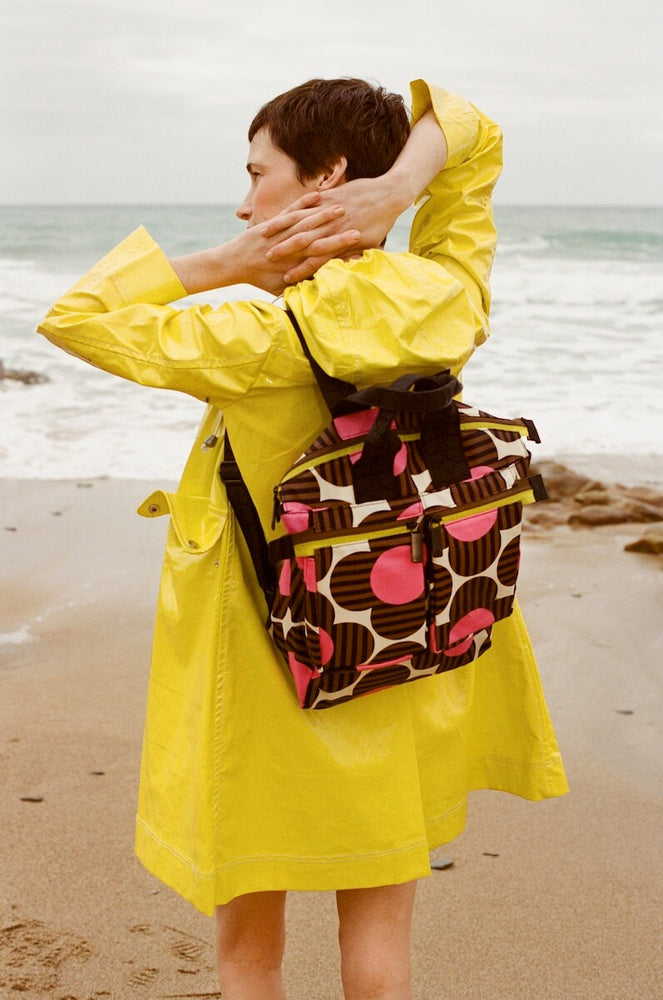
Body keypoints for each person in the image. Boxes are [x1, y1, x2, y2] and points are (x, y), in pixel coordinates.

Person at [38, 77, 568, 1000]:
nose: (245, 202)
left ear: (322, 177)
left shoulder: (258, 329)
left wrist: (228, 259)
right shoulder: (446, 295)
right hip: (398, 640)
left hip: (269, 663)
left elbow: (78, 317)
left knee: (250, 953)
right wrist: (402, 186)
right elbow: (471, 134)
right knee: (378, 944)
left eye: (257, 175)